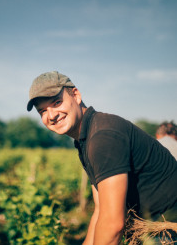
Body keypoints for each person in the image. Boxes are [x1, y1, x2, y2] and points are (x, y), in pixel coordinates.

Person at [27, 71, 177, 245]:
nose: (51, 115)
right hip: (154, 230)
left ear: (76, 95)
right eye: (43, 111)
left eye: (57, 103)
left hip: (168, 232)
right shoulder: (87, 138)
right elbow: (100, 211)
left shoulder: (103, 137)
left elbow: (112, 224)